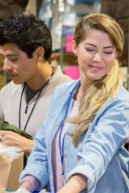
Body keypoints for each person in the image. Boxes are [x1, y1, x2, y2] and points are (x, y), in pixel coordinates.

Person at [18, 13, 129, 193]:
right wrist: (25, 189)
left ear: (116, 55)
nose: (98, 59)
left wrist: (66, 192)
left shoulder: (119, 102)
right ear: (75, 46)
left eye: (108, 52)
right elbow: (43, 147)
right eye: (90, 49)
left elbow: (96, 154)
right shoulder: (63, 93)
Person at [0, 14, 72, 155]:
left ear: (38, 53)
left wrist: (31, 146)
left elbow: (77, 151)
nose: (6, 67)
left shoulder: (71, 95)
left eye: (13, 58)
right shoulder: (6, 93)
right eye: (3, 58)